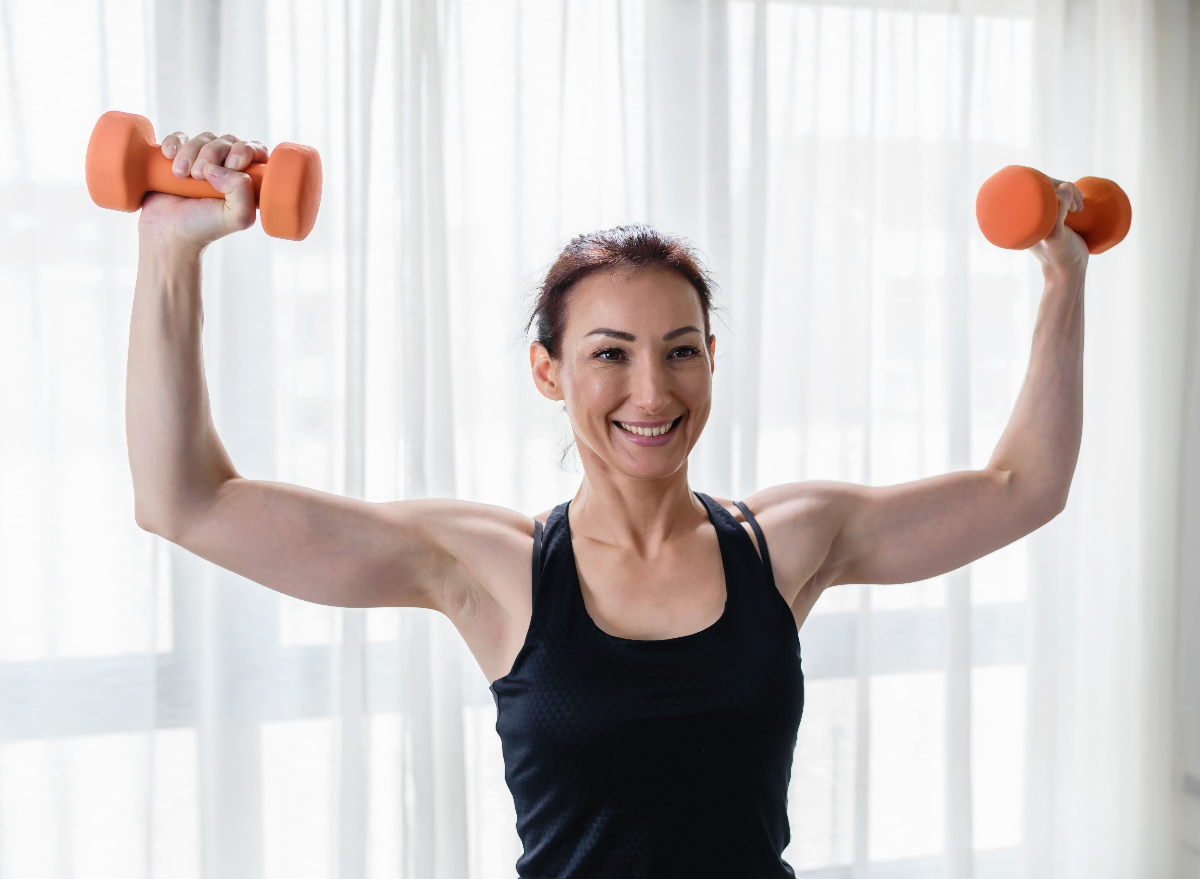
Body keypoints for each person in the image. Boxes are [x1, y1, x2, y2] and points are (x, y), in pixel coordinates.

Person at [129, 130, 1088, 877]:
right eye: (609, 353)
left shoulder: (788, 543)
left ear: (713, 358)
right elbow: (186, 500)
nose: (652, 392)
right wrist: (172, 253)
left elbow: (1023, 487)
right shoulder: (486, 567)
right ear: (547, 371)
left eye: (680, 349)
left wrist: (1063, 279)